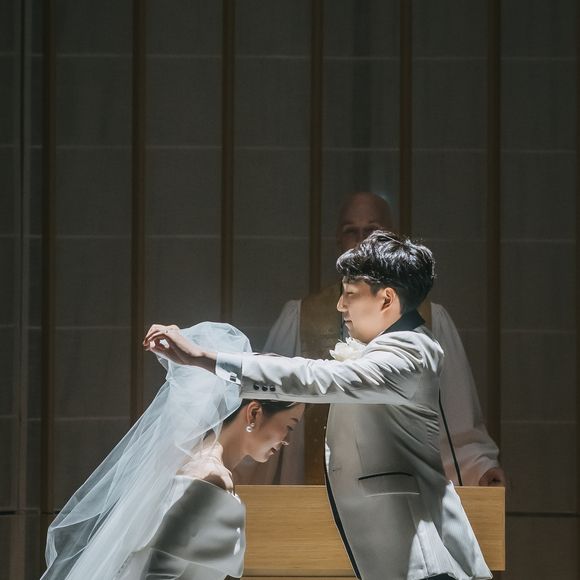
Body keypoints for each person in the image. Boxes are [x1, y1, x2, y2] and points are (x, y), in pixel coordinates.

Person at [145, 231, 493, 580]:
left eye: (350, 294)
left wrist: (205, 358)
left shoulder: (411, 351)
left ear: (386, 299)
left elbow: (317, 377)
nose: (340, 306)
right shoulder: (395, 347)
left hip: (424, 560)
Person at [235, 192, 505, 488]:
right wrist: (231, 458)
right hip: (319, 490)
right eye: (351, 231)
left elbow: (455, 415)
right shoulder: (300, 317)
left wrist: (479, 467)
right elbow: (271, 409)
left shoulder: (426, 325)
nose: (361, 240)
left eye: (372, 230)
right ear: (338, 241)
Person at [41, 322, 304, 580]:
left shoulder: (200, 466)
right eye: (289, 426)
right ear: (254, 412)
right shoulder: (209, 477)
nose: (287, 440)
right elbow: (157, 573)